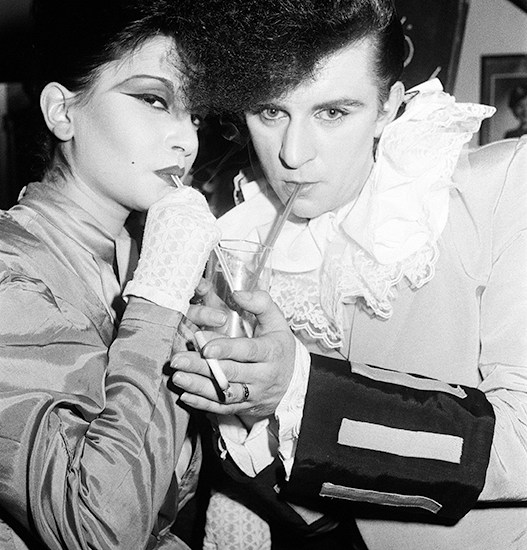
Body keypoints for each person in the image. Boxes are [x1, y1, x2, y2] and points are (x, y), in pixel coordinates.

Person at [170, 0, 527, 548]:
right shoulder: (239, 232)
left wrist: (299, 393)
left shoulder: (503, 188)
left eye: (333, 112)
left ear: (388, 108)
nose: (293, 155)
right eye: (271, 111)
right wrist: (241, 411)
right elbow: (294, 503)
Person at [0, 1, 223, 548]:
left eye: (195, 115)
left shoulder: (144, 254)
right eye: (154, 100)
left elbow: (171, 491)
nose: (187, 141)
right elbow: (98, 530)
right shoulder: (10, 272)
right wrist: (158, 302)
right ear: (62, 111)